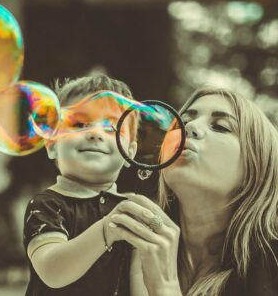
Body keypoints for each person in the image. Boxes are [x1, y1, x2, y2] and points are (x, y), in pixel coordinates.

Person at [106, 86, 278, 295]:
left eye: (220, 127)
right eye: (184, 122)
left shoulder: (271, 263)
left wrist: (164, 286)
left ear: (256, 168)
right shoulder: (123, 244)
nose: (190, 127)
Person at [23, 74, 139, 295]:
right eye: (79, 124)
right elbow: (52, 271)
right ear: (52, 145)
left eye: (112, 127)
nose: (95, 133)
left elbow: (138, 282)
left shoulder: (132, 209)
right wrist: (107, 229)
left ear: (130, 153)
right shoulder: (46, 205)